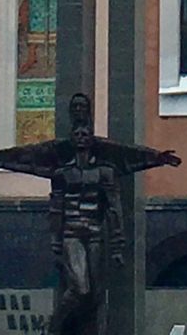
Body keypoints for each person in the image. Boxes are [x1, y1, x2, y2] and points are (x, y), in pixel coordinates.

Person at [47, 113, 125, 335]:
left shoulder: (104, 173)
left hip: (95, 234)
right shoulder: (62, 174)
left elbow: (113, 209)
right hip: (72, 234)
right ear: (71, 139)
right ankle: (54, 327)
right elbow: (56, 208)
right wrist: (55, 242)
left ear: (92, 139)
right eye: (77, 134)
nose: (81, 137)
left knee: (96, 294)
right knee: (81, 288)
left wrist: (118, 245)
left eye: (86, 134)